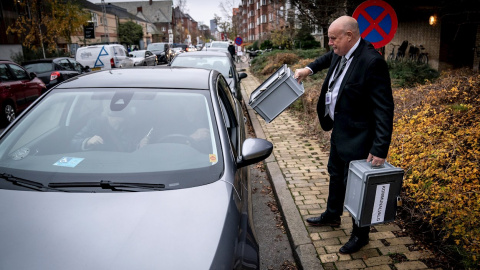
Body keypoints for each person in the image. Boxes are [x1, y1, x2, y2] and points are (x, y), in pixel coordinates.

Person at [294, 16, 394, 254]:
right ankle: (332, 215)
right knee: (336, 173)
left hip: (360, 138)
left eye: (333, 38)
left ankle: (361, 235)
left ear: (349, 36)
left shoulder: (371, 62)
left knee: (358, 187)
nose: (330, 43)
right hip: (340, 130)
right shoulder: (342, 51)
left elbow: (384, 109)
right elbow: (328, 57)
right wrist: (309, 69)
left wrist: (380, 149)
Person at [71, 108, 142, 152]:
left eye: (119, 117)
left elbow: (133, 148)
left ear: (125, 118)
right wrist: (88, 141)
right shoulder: (95, 124)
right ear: (107, 115)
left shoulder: (131, 127)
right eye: (112, 116)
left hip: (122, 163)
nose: (115, 119)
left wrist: (139, 146)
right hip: (97, 164)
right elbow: (73, 142)